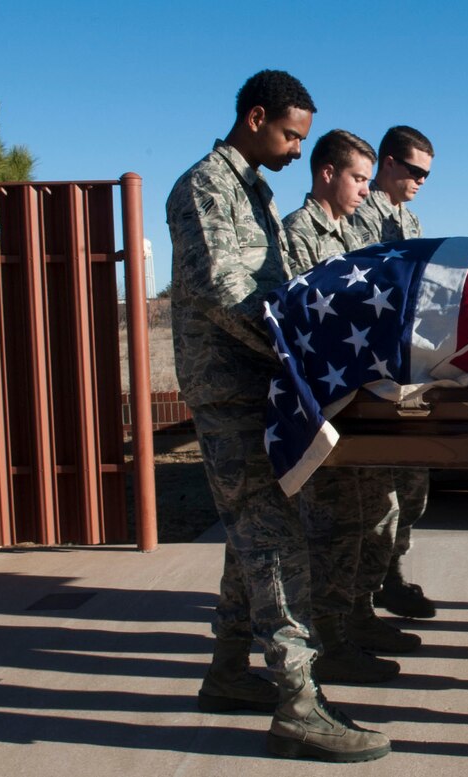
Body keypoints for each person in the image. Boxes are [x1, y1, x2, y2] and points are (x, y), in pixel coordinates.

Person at [168, 70, 388, 763]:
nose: (298, 150)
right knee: (273, 540)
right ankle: (297, 702)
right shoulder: (206, 185)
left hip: (255, 383)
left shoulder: (250, 191)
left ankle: (228, 671)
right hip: (229, 387)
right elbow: (230, 292)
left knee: (249, 535)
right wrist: (305, 354)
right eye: (291, 134)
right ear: (255, 116)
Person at [282, 130, 415, 682]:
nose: (366, 190)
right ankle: (329, 640)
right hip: (324, 404)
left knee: (368, 517)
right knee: (334, 525)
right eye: (359, 179)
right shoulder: (297, 234)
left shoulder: (346, 236)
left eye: (367, 178)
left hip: (357, 402)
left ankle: (354, 617)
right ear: (328, 174)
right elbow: (302, 317)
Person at [347, 126, 438, 620]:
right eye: (415, 171)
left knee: (412, 487)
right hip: (370, 372)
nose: (422, 181)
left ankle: (390, 575)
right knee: (376, 497)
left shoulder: (411, 220)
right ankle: (364, 591)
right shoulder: (359, 216)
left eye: (428, 173)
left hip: (406, 371)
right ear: (388, 163)